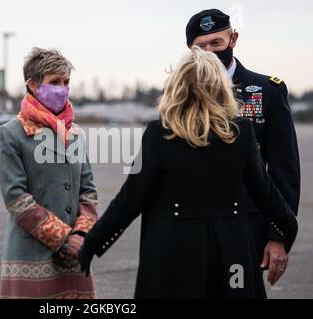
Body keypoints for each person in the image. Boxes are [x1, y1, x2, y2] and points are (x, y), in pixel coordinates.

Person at [78, 47, 298, 299]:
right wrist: (283, 232)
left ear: (178, 87)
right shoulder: (242, 133)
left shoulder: (160, 134)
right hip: (232, 258)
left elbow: (130, 201)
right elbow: (269, 197)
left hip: (172, 256)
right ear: (220, 87)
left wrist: (91, 244)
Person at [185, 9, 301, 286]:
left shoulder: (266, 91)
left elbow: (285, 172)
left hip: (247, 227)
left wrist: (277, 236)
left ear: (233, 39)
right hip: (192, 227)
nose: (210, 52)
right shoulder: (183, 94)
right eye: (200, 47)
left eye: (217, 43)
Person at [0, 48, 98, 299]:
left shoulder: (76, 135)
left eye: (66, 82)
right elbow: (16, 199)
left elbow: (89, 192)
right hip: (32, 256)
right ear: (32, 85)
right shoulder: (11, 134)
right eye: (54, 82)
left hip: (75, 257)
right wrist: (64, 239)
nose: (62, 89)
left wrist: (82, 235)